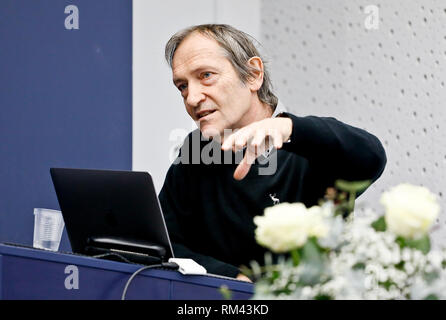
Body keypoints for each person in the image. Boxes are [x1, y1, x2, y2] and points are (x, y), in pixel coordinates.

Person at [158, 24, 386, 282]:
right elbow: (165, 242)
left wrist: (289, 128)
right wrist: (234, 277)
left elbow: (372, 157)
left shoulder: (310, 146)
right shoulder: (196, 150)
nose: (191, 98)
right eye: (182, 86)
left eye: (206, 75)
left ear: (253, 74)